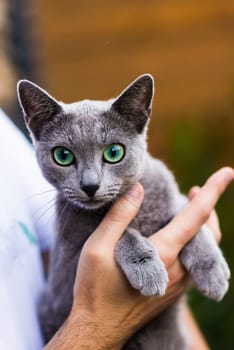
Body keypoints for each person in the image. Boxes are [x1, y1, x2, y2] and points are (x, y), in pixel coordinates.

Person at [0, 108, 233, 350]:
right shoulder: (66, 209)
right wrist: (99, 323)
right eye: (65, 157)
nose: (90, 181)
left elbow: (171, 240)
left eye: (113, 153)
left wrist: (193, 234)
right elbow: (66, 277)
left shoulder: (4, 133)